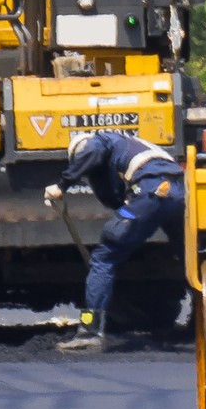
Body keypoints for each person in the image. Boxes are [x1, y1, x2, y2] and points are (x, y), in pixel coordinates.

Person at [44, 130, 185, 350]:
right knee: (192, 258)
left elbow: (93, 151)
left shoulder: (99, 141)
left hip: (152, 193)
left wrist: (62, 185)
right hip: (178, 194)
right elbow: (114, 194)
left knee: (103, 258)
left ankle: (90, 332)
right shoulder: (139, 146)